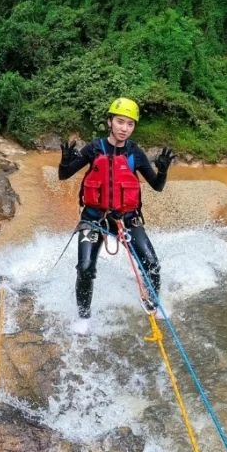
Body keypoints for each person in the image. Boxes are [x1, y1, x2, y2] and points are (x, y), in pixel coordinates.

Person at [58, 97, 175, 334]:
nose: (124, 128)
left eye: (130, 124)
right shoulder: (94, 148)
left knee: (152, 264)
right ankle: (83, 317)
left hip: (127, 218)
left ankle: (152, 301)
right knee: (85, 267)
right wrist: (64, 161)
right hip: (94, 219)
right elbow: (64, 175)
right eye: (120, 122)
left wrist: (162, 170)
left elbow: (157, 186)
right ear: (109, 121)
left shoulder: (135, 153)